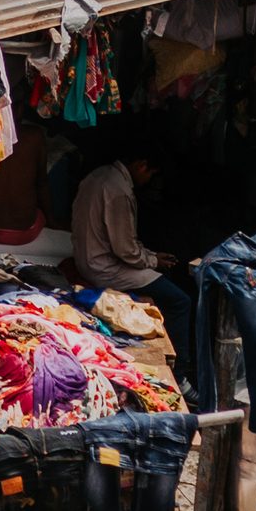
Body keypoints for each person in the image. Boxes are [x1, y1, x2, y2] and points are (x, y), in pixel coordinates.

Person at [71, 132, 206, 402]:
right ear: (142, 165)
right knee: (181, 302)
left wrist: (152, 255)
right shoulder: (120, 191)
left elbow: (124, 244)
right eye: (151, 173)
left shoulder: (100, 175)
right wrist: (153, 260)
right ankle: (179, 373)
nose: (149, 180)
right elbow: (125, 250)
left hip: (87, 257)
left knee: (161, 278)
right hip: (103, 268)